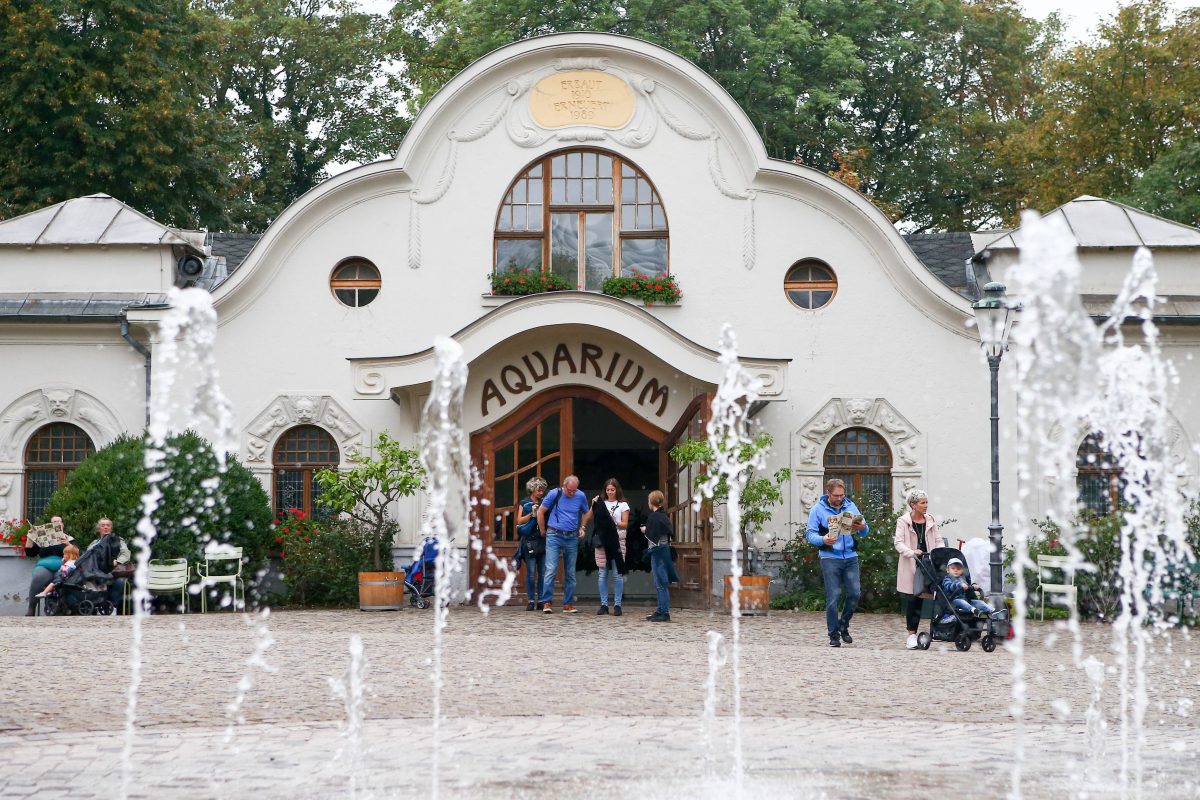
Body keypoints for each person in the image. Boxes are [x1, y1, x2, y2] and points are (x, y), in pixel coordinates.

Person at [805, 478, 870, 647]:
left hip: (850, 557)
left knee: (855, 593)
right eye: (836, 495)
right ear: (828, 493)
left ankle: (844, 625)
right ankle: (834, 635)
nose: (840, 498)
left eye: (842, 495)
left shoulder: (850, 506)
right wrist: (822, 539)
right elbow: (809, 534)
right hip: (829, 558)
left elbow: (865, 531)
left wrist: (863, 528)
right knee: (833, 597)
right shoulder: (817, 510)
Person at [894, 489, 944, 650]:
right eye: (922, 503)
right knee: (913, 599)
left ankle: (941, 630)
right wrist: (911, 552)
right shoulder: (903, 521)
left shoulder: (930, 520)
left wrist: (940, 553)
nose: (926, 505)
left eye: (926, 502)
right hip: (912, 564)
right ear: (913, 505)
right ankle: (911, 635)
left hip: (928, 562)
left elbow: (938, 540)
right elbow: (898, 543)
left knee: (932, 596)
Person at [537, 475, 592, 614]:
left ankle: (568, 603)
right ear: (564, 485)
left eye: (574, 490)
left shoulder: (580, 496)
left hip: (572, 536)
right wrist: (543, 531)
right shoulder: (554, 493)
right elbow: (540, 511)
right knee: (551, 569)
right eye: (569, 490)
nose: (572, 493)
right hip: (554, 534)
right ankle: (547, 602)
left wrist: (583, 527)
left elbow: (586, 513)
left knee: (570, 572)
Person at [592, 478, 630, 617]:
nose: (610, 492)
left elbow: (625, 524)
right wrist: (594, 504)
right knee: (602, 573)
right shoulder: (601, 503)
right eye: (608, 490)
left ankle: (617, 605)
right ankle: (603, 604)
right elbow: (593, 518)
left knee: (617, 574)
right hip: (602, 541)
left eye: (612, 490)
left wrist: (614, 522)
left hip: (617, 540)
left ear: (617, 490)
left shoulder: (623, 505)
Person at [23, 515, 72, 616]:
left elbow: (76, 553)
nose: (56, 524)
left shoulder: (69, 538)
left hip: (63, 566)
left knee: (66, 578)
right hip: (45, 566)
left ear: (62, 525)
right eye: (53, 522)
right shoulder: (42, 538)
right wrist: (30, 538)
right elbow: (30, 553)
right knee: (38, 577)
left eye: (58, 522)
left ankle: (64, 607)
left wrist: (68, 544)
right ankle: (31, 607)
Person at [85, 518, 132, 614]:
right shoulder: (94, 543)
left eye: (108, 525)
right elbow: (87, 556)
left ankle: (112, 607)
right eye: (103, 525)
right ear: (99, 529)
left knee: (120, 582)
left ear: (111, 528)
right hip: (95, 573)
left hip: (113, 571)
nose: (105, 527)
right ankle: (97, 605)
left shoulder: (118, 540)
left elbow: (126, 554)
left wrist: (117, 562)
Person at [515, 477, 548, 610]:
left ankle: (541, 600)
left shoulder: (544, 502)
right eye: (539, 490)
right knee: (531, 572)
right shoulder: (524, 502)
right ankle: (530, 600)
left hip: (542, 540)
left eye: (542, 490)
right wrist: (532, 514)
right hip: (529, 541)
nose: (541, 493)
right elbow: (519, 520)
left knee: (543, 572)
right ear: (532, 490)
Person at [643, 490, 675, 622]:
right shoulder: (663, 516)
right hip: (663, 551)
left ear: (652, 502)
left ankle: (664, 612)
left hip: (658, 552)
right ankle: (660, 610)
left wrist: (645, 530)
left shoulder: (655, 517)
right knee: (660, 583)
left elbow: (653, 534)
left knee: (660, 583)